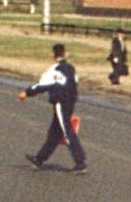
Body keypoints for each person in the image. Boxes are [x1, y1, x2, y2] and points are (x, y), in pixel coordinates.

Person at [20, 43, 86, 171]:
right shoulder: (71, 69)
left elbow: (42, 86)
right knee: (55, 133)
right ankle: (39, 159)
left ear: (53, 55)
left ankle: (80, 162)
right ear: (64, 53)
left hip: (60, 102)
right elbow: (75, 84)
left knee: (67, 131)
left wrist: (26, 92)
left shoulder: (54, 70)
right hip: (70, 101)